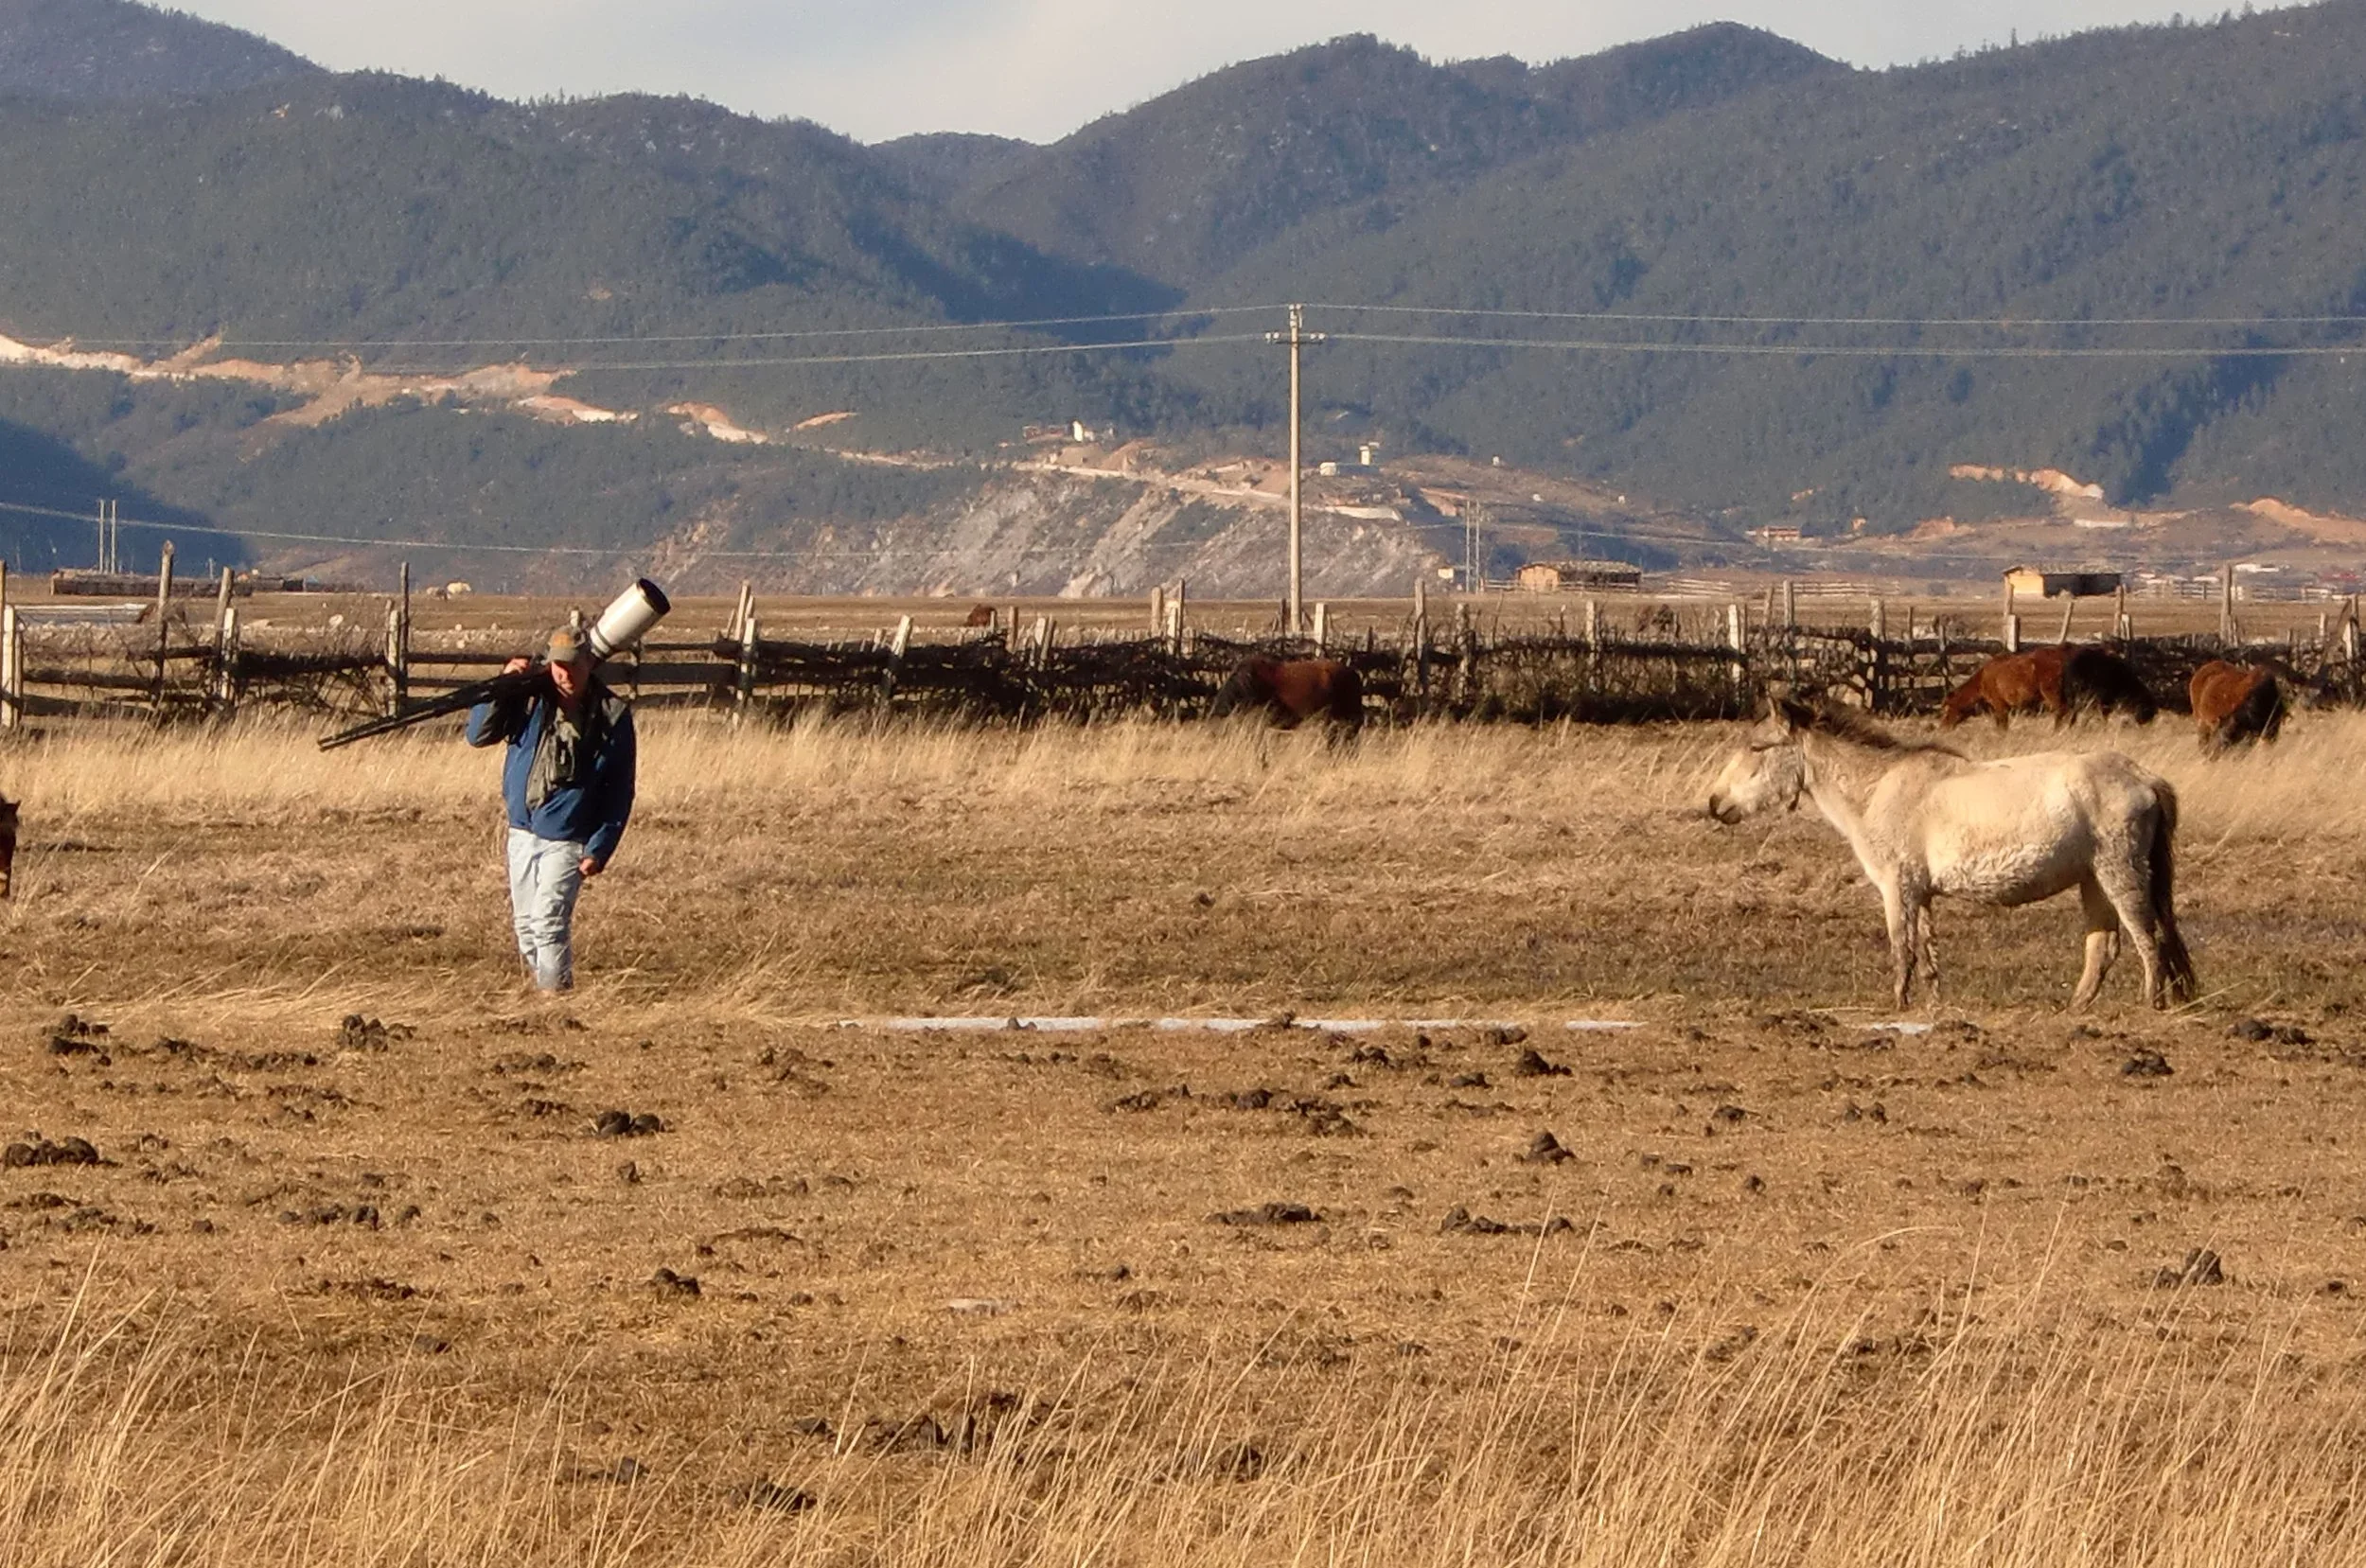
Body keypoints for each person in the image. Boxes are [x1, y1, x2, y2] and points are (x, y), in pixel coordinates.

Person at [467, 626, 637, 992]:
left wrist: (600, 847)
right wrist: (502, 684)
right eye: (559, 666)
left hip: (568, 836)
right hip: (521, 831)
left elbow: (620, 790)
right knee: (526, 928)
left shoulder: (612, 714)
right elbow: (478, 735)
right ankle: (553, 990)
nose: (566, 674)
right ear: (549, 664)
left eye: (574, 665)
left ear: (589, 663)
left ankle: (555, 1004)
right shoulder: (529, 699)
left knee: (548, 924)